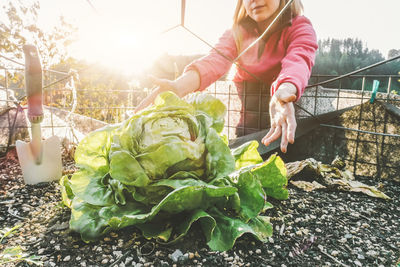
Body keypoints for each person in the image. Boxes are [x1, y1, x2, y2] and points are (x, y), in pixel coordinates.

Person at [135, 0, 318, 153]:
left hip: (285, 117)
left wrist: (284, 92)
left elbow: (299, 60)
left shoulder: (300, 26)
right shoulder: (236, 32)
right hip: (247, 122)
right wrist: (178, 87)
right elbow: (215, 61)